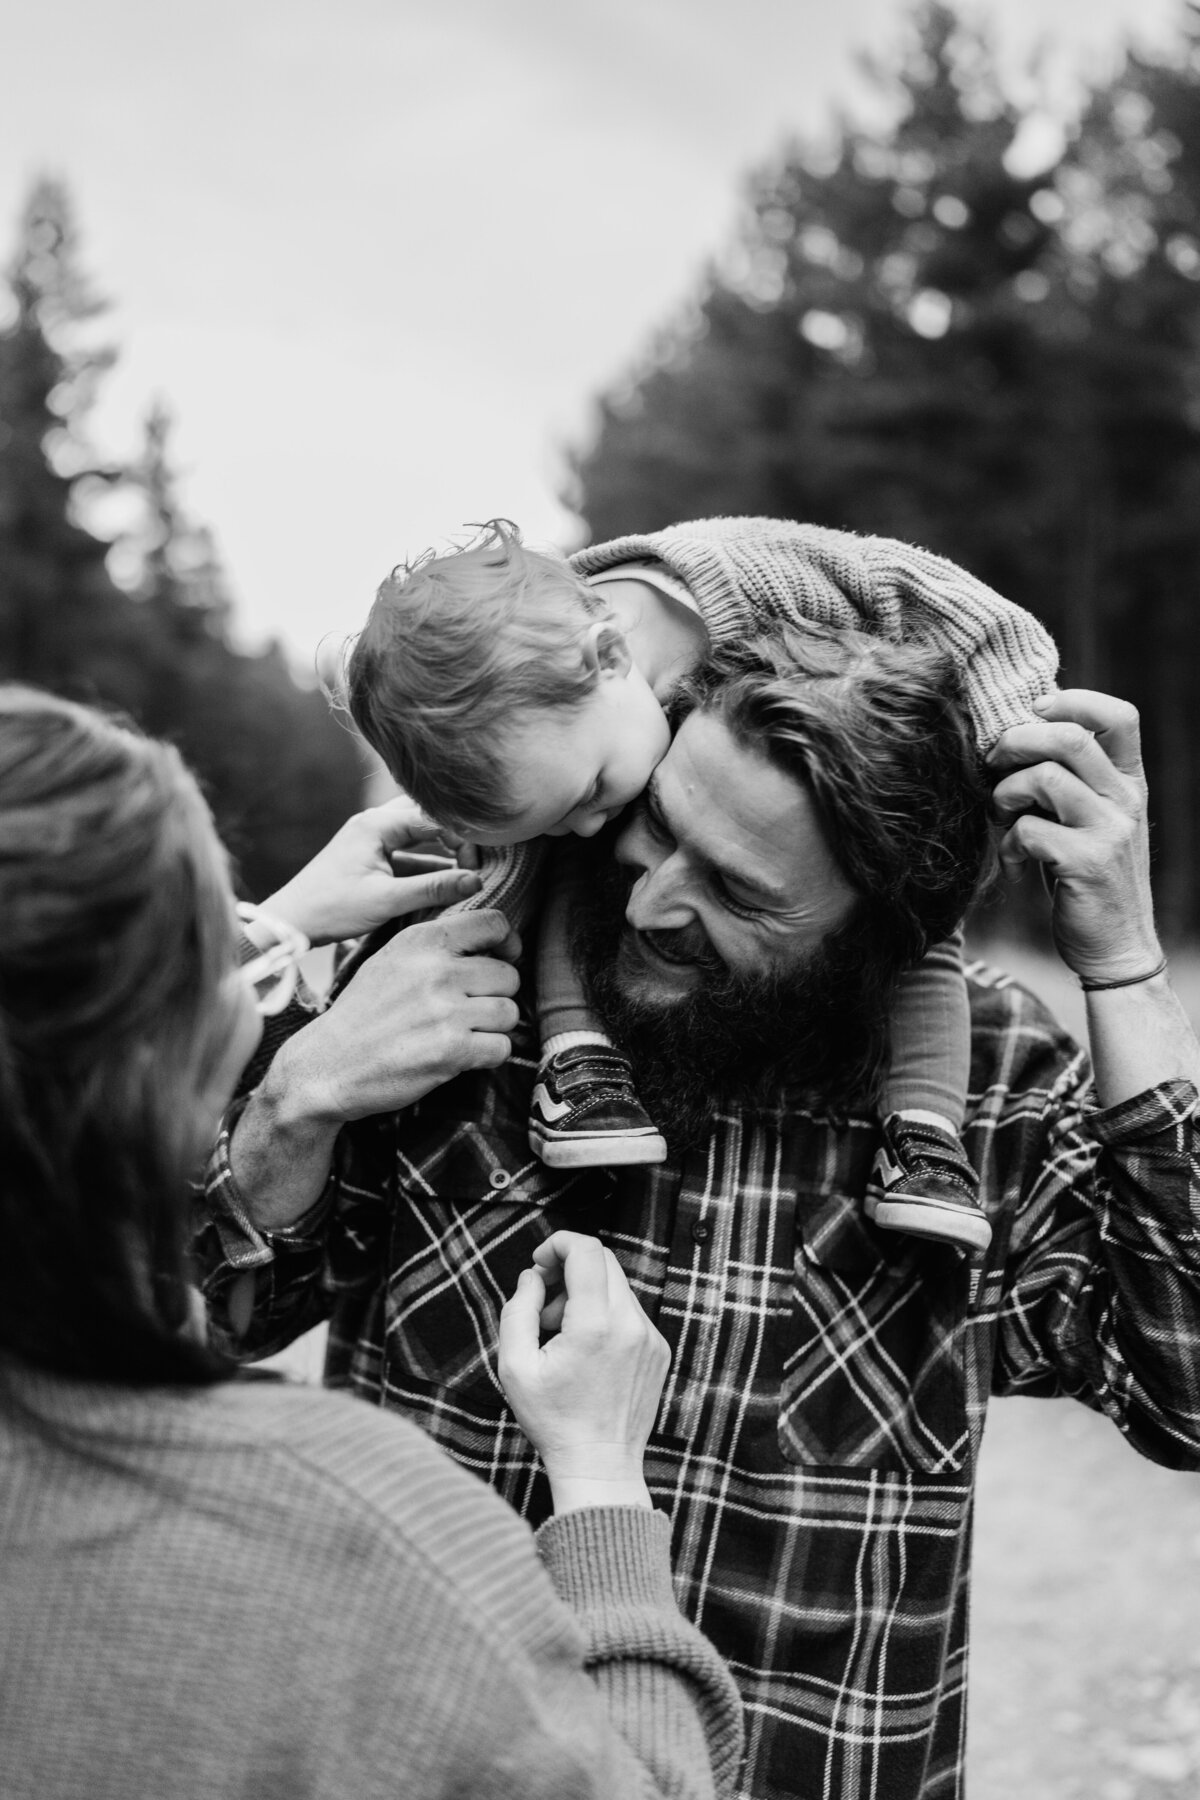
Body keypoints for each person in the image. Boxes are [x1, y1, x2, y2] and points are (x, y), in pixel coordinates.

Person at [199, 625, 1200, 1800]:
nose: (655, 902)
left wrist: (1125, 965)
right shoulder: (452, 988)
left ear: (885, 936)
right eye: (662, 825)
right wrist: (296, 1098)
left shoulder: (989, 1092)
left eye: (738, 891)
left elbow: (1185, 1390)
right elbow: (204, 1327)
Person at [0, 684, 744, 1800]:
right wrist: (598, 1490)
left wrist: (275, 932)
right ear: (196, 1054)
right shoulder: (359, 1520)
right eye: (244, 970)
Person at [343, 515, 1058, 1254]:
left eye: (739, 891)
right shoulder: (530, 708)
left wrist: (1011, 751)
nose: (597, 836)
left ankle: (923, 1138)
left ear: (613, 655)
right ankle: (579, 1065)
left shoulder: (751, 577)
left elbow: (968, 613)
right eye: (655, 818)